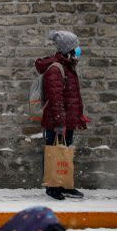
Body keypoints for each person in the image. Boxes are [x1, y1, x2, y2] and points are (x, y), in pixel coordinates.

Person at [35, 30, 89, 200]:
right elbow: (56, 99)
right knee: (54, 153)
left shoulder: (67, 67)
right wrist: (60, 123)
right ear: (68, 51)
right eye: (77, 50)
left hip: (67, 121)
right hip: (57, 122)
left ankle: (65, 185)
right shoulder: (55, 70)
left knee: (65, 154)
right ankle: (53, 187)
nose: (79, 53)